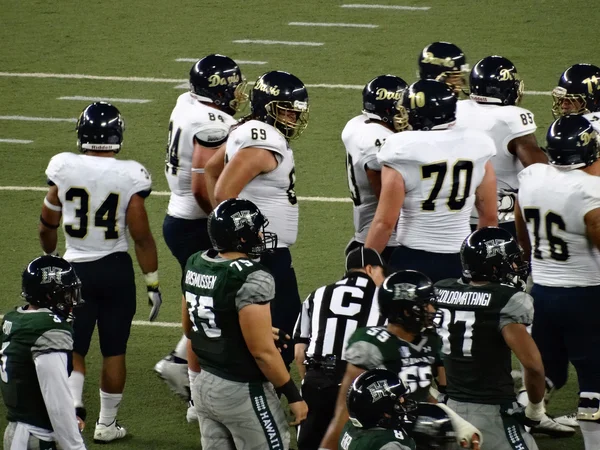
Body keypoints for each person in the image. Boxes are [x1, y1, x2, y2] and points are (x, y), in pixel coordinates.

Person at [39, 102, 162, 443]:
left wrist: (50, 255)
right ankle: (106, 424)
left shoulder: (63, 167)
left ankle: (75, 409)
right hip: (116, 270)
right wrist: (152, 282)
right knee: (114, 350)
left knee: (74, 347)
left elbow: (47, 221)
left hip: (75, 268)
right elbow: (141, 236)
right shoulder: (130, 174)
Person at [155, 53, 247, 422]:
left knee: (202, 300)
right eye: (233, 85)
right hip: (195, 220)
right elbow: (200, 185)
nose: (239, 91)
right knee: (209, 303)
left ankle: (186, 366)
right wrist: (220, 224)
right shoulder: (211, 122)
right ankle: (184, 369)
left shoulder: (187, 102)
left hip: (178, 217)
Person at [182, 198, 307, 450]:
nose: (261, 235)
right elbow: (262, 353)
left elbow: (191, 328)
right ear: (241, 237)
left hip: (204, 385)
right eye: (257, 229)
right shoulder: (252, 276)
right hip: (241, 389)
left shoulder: (196, 262)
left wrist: (245, 330)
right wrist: (294, 396)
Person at [206, 70, 310, 367]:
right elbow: (225, 189)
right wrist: (237, 236)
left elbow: (212, 169)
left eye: (295, 111)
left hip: (259, 251)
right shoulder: (264, 141)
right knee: (284, 327)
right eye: (286, 109)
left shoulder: (250, 129)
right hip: (264, 254)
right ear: (268, 106)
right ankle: (272, 391)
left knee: (260, 325)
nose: (292, 117)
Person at [515, 115, 600, 450]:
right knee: (594, 375)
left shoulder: (532, 177)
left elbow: (523, 238)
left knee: (547, 369)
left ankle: (525, 420)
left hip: (543, 293)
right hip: (586, 296)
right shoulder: (590, 191)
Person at [364, 79, 498, 282]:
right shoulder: (478, 145)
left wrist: (364, 268)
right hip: (460, 259)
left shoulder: (401, 147)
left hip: (413, 258)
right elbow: (489, 219)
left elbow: (385, 223)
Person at [435, 226, 555, 449]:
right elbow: (534, 366)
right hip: (490, 412)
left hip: (449, 411)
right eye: (513, 261)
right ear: (493, 266)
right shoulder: (505, 300)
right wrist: (535, 409)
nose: (518, 267)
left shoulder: (441, 291)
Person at [319, 270, 443, 449]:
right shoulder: (372, 345)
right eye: (426, 305)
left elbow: (422, 389)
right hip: (385, 436)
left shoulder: (428, 340)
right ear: (406, 311)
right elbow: (345, 409)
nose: (432, 310)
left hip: (421, 431)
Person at [293, 247, 387, 450]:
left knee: (311, 443)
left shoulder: (317, 294)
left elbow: (299, 353)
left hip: (317, 379)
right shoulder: (383, 300)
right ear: (370, 269)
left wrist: (311, 379)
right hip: (358, 384)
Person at [1, 255, 86, 450]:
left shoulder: (16, 318)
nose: (71, 301)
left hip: (20, 429)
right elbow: (57, 400)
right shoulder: (47, 329)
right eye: (66, 294)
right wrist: (75, 446)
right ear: (49, 296)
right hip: (36, 438)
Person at [458, 55, 548, 236]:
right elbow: (541, 171)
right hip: (502, 218)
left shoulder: (456, 109)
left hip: (457, 216)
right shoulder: (511, 118)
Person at [342, 75, 409, 262]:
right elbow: (389, 204)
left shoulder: (358, 125)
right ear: (387, 110)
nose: (407, 115)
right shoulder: (376, 142)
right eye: (402, 109)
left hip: (371, 235)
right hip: (386, 242)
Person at [340, 368, 482, 450]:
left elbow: (420, 410)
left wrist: (462, 427)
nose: (404, 402)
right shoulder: (389, 445)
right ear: (382, 412)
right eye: (399, 400)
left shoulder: (355, 426)